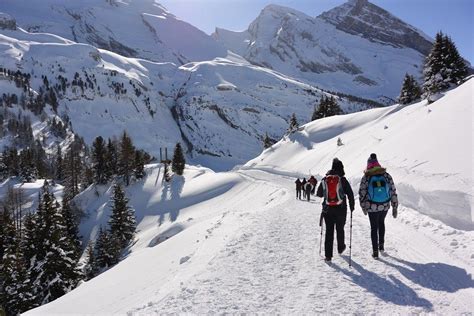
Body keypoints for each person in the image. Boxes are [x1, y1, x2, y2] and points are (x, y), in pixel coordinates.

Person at [359, 153, 398, 258]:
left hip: (372, 206)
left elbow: (362, 193)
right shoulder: (385, 175)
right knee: (381, 223)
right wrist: (394, 206)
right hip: (385, 205)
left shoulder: (367, 176)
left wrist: (363, 207)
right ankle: (381, 246)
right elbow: (393, 190)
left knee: (373, 227)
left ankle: (375, 252)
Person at [317, 158, 354, 262]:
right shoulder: (342, 179)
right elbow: (350, 194)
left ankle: (328, 256)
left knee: (329, 231)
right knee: (340, 228)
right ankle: (341, 247)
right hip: (341, 209)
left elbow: (319, 193)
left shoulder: (325, 179)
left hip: (327, 209)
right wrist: (352, 206)